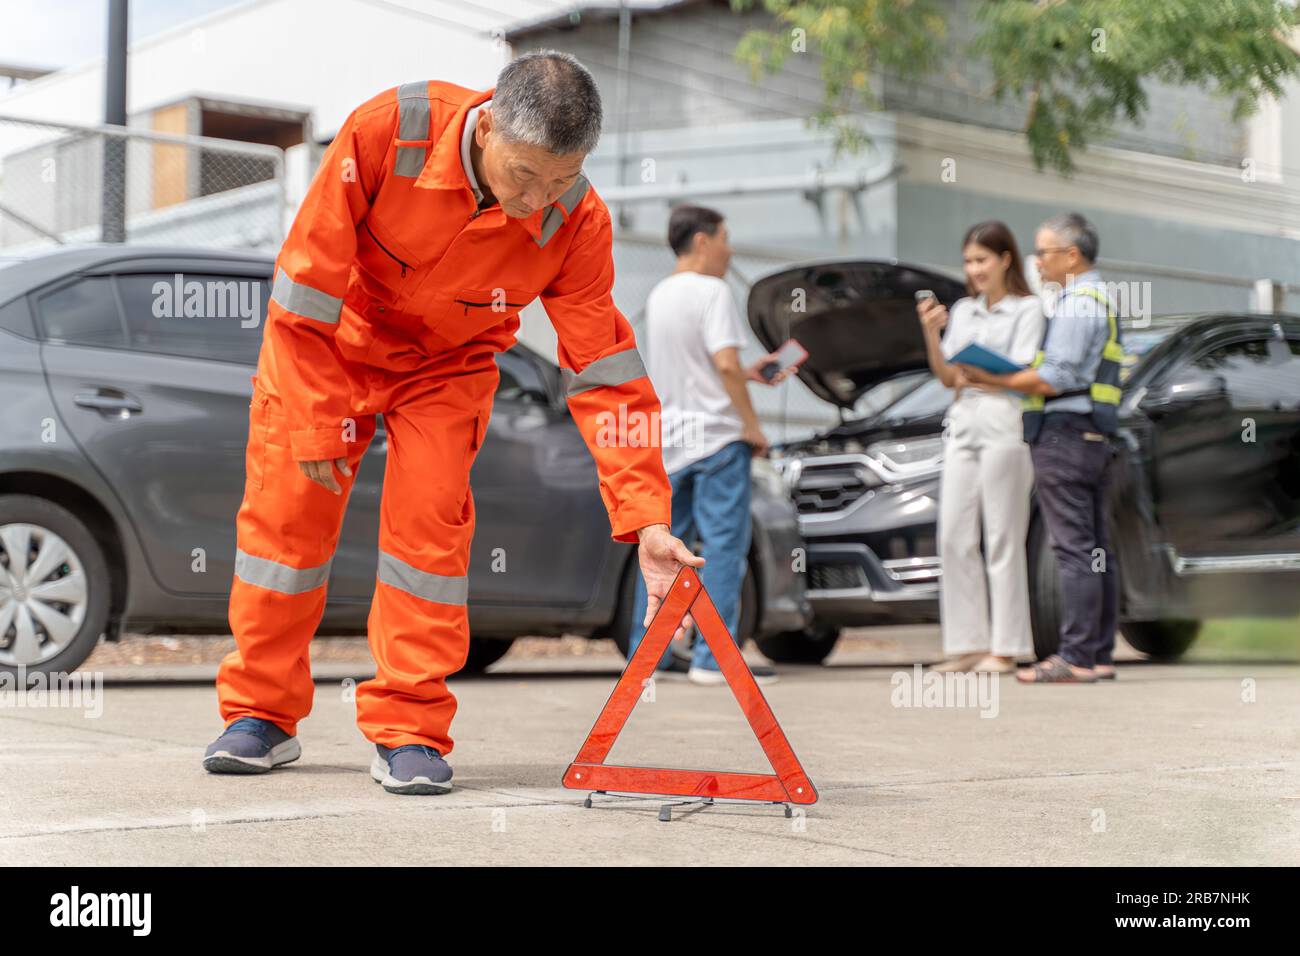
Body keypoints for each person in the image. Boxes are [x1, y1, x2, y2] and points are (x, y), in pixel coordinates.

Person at [205, 51, 705, 794]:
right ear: (487, 127)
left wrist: (646, 515)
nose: (538, 201)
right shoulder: (387, 134)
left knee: (429, 532)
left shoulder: (576, 218)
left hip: (447, 367)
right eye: (525, 175)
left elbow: (602, 367)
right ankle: (261, 715)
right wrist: (314, 420)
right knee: (286, 524)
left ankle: (408, 726)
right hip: (331, 349)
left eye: (562, 179)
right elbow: (305, 288)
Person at [625, 205, 794, 686]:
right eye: (725, 237)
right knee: (722, 549)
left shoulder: (659, 296)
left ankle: (647, 661)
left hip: (674, 441)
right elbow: (720, 365)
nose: (730, 247)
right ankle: (711, 661)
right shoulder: (715, 291)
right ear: (702, 241)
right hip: (719, 439)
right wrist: (752, 426)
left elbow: (703, 366)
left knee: (661, 550)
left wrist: (749, 372)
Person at [957, 212, 1122, 684]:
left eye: (1043, 252)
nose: (1037, 262)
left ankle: (1075, 657)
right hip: (1093, 433)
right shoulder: (1099, 296)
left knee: (1072, 548)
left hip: (1065, 433)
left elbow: (1056, 376)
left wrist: (994, 377)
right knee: (1094, 549)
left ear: (1071, 255)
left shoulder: (1076, 303)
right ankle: (1098, 654)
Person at [917, 221, 1044, 674]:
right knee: (953, 535)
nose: (974, 269)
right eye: (968, 261)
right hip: (964, 420)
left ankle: (1006, 648)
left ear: (1005, 258)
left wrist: (984, 376)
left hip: (1005, 419)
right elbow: (950, 377)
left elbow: (1023, 373)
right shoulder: (964, 312)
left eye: (982, 260)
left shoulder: (1028, 309)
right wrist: (932, 334)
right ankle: (967, 645)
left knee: (1003, 537)